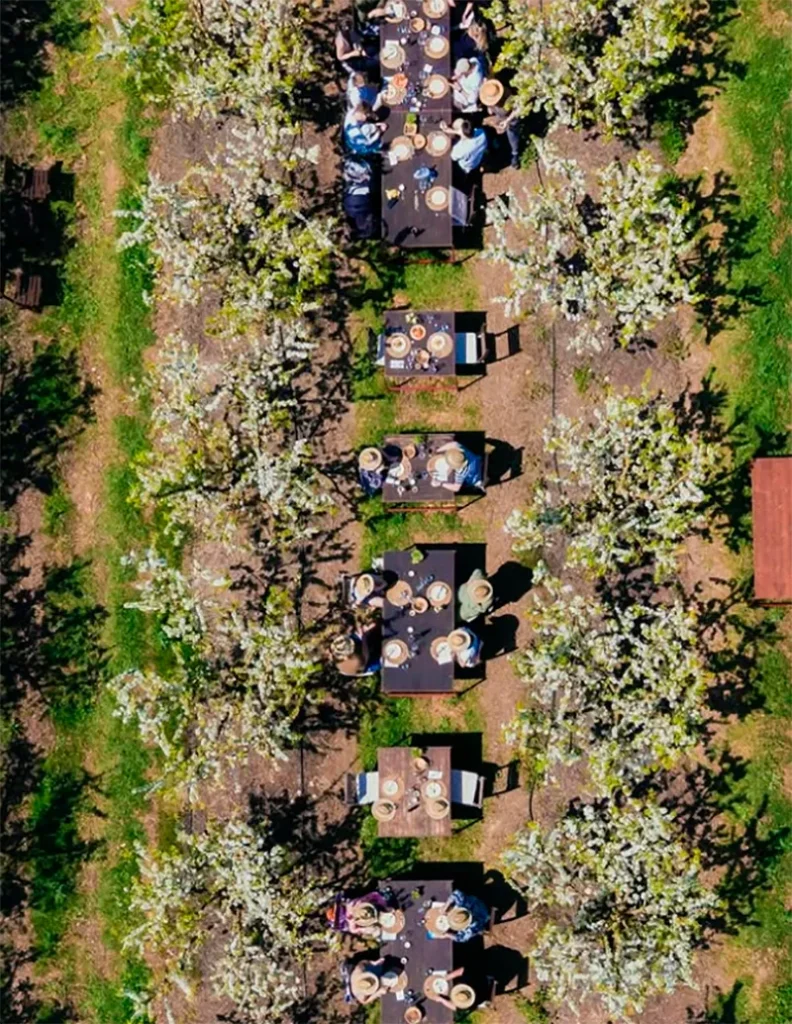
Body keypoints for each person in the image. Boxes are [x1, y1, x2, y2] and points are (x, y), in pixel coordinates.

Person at [480, 78, 521, 169]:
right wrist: (489, 107)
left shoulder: (508, 98)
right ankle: (496, 140)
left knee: (512, 135)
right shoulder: (488, 91)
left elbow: (517, 109)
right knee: (490, 124)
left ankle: (515, 155)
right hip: (499, 115)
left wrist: (507, 121)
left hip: (510, 118)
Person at [425, 888, 490, 942]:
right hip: (480, 907)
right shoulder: (462, 905)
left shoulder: (471, 928)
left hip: (483, 915)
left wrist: (446, 935)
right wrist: (445, 906)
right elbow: (457, 893)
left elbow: (461, 938)